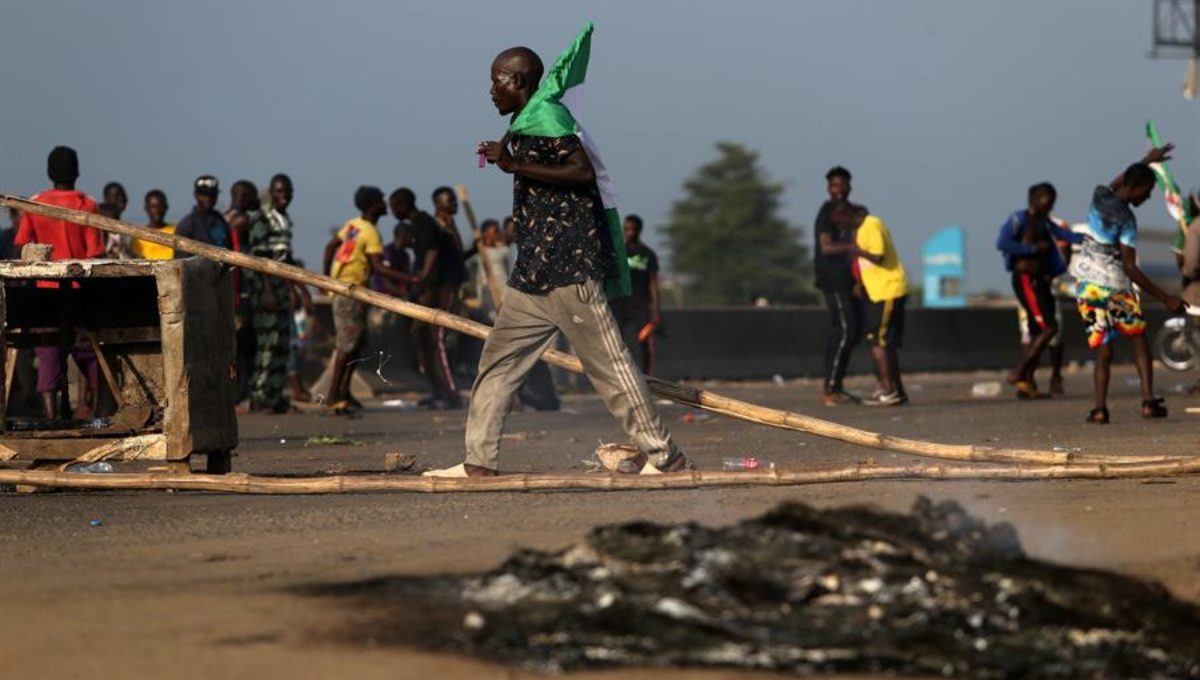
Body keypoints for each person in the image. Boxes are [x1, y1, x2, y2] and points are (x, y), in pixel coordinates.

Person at [425, 40, 688, 477]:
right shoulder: (526, 123)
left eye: (497, 81)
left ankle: (667, 459)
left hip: (569, 270)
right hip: (532, 274)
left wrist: (512, 166)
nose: (490, 90)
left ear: (519, 81)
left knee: (611, 369)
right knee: (497, 365)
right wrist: (508, 155)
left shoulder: (549, 117)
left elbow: (580, 170)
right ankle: (479, 463)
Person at [1071, 146, 1186, 423]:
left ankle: (1100, 409)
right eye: (1147, 192)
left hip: (1086, 285)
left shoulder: (1100, 195)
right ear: (1139, 188)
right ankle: (1147, 400)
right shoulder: (1127, 221)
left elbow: (1120, 181)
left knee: (1103, 348)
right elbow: (1130, 267)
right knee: (1138, 340)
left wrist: (1146, 162)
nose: (1147, 197)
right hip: (1115, 287)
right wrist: (1165, 297)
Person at [14, 146, 104, 419]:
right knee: (91, 353)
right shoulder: (86, 204)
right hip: (78, 291)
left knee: (49, 353)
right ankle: (95, 407)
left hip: (45, 292)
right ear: (76, 172)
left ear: (49, 173)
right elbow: (95, 253)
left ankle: (51, 416)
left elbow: (22, 244)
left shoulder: (35, 204)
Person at [323, 186, 414, 414]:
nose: (385, 204)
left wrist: (326, 279)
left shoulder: (352, 224)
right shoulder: (371, 232)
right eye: (382, 200)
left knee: (356, 343)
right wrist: (411, 279)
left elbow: (330, 247)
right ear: (373, 205)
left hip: (349, 288)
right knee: (347, 345)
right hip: (350, 291)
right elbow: (378, 267)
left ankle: (344, 392)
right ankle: (333, 396)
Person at [995, 183, 1080, 398]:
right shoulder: (1019, 219)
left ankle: (1027, 383)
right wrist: (1032, 249)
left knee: (1037, 331)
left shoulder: (1045, 222)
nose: (1050, 207)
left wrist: (1086, 239)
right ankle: (1019, 372)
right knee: (1048, 328)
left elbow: (1061, 237)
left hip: (1040, 280)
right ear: (1034, 200)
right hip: (1026, 279)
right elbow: (1003, 243)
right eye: (1047, 202)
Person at [832, 202, 908, 407]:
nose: (843, 228)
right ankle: (893, 389)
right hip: (877, 292)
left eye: (842, 222)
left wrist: (854, 249)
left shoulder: (870, 224)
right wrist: (860, 283)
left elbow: (877, 256)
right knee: (881, 341)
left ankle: (890, 390)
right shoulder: (861, 229)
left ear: (849, 215)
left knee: (879, 341)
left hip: (887, 290)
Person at [244, 174, 296, 413]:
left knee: (282, 344)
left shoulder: (284, 219)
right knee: (267, 344)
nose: (283, 195)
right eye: (279, 191)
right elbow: (260, 258)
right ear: (272, 193)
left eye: (287, 191)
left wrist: (295, 288)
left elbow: (286, 258)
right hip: (265, 288)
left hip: (280, 288)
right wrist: (267, 291)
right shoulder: (262, 219)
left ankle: (273, 396)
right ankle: (258, 395)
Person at [812, 166, 862, 405]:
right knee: (845, 329)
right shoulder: (827, 212)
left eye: (842, 185)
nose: (839, 190)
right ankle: (831, 388)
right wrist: (854, 249)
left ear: (849, 186)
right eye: (834, 186)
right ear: (828, 188)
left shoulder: (852, 212)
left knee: (846, 331)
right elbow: (827, 247)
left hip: (848, 280)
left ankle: (836, 385)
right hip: (832, 279)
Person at [608, 214, 661, 374]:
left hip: (640, 303)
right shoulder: (618, 252)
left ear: (639, 230)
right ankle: (620, 374)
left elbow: (653, 282)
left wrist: (656, 309)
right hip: (619, 302)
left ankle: (647, 376)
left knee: (644, 341)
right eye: (626, 229)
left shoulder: (647, 254)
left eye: (632, 229)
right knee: (616, 340)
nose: (629, 233)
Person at [224, 179, 258, 404]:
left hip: (238, 290)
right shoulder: (236, 221)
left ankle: (241, 392)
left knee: (243, 346)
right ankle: (239, 393)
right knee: (242, 347)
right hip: (235, 290)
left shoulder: (224, 219)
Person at [174, 175, 232, 253]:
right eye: (204, 195)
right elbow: (181, 258)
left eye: (212, 195)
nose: (208, 198)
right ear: (196, 195)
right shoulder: (186, 226)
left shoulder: (220, 219)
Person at [129, 189, 175, 259]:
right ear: (146, 208)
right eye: (153, 206)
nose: (157, 210)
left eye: (160, 206)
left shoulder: (176, 231)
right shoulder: (138, 236)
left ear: (166, 207)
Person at [102, 181, 130, 259]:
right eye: (117, 196)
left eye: (123, 195)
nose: (122, 199)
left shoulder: (126, 229)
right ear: (106, 198)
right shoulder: (99, 228)